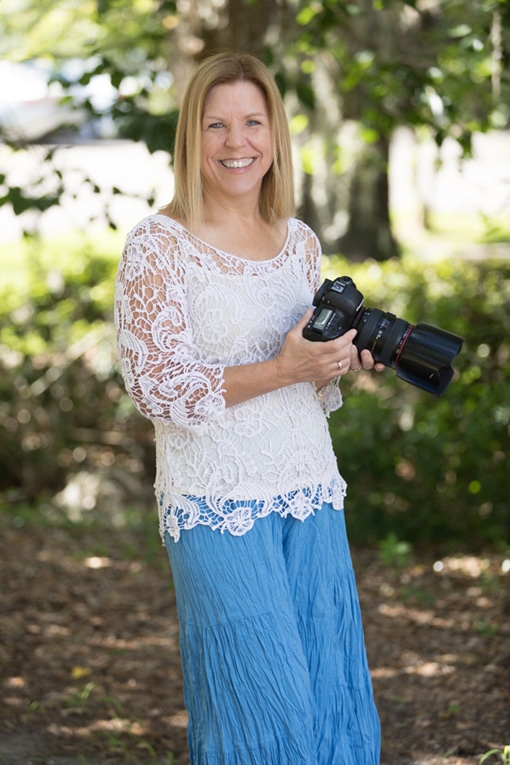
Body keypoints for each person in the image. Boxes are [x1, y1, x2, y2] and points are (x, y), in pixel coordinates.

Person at [115, 51, 381, 765]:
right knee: (261, 706)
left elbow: (309, 387)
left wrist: (336, 363)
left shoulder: (299, 243)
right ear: (190, 139)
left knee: (328, 692)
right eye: (217, 125)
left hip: (310, 490)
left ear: (275, 134)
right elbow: (159, 387)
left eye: (253, 122)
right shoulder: (157, 246)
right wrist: (282, 367)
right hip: (216, 501)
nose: (237, 143)